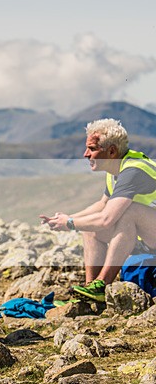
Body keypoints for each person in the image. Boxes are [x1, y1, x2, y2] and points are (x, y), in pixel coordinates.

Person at [40, 119, 156, 302]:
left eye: (92, 149)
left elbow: (106, 219)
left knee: (128, 213)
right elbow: (102, 205)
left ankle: (102, 285)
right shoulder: (116, 169)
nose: (86, 154)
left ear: (111, 151)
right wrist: (68, 218)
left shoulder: (133, 171)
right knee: (90, 227)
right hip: (150, 237)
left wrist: (69, 224)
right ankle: (90, 290)